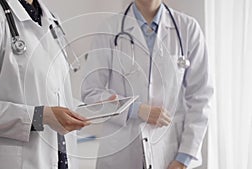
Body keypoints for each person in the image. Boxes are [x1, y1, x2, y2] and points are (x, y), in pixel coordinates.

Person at [0, 0, 90, 168]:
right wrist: (40, 117)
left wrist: (89, 109)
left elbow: (53, 93)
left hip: (60, 158)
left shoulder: (52, 21)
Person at [81, 0, 213, 169]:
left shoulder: (187, 28)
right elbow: (90, 93)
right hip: (121, 152)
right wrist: (134, 109)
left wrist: (183, 158)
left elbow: (201, 97)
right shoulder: (108, 29)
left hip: (169, 153)